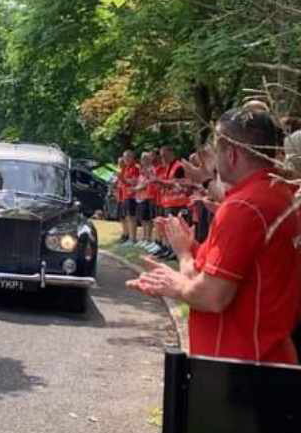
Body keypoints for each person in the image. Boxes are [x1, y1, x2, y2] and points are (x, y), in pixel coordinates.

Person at [128, 107, 301, 365]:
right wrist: (190, 249)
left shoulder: (244, 206)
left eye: (216, 149)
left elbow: (211, 296)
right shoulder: (278, 193)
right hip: (262, 359)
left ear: (231, 154)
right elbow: (232, 272)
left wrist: (177, 273)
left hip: (239, 366)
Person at [118, 150, 140, 246]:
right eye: (124, 157)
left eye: (128, 157)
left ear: (132, 158)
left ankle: (133, 238)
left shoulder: (135, 168)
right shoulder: (126, 168)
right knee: (127, 217)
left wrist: (122, 179)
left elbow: (134, 182)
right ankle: (129, 237)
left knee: (131, 217)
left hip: (131, 196)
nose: (125, 159)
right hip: (124, 195)